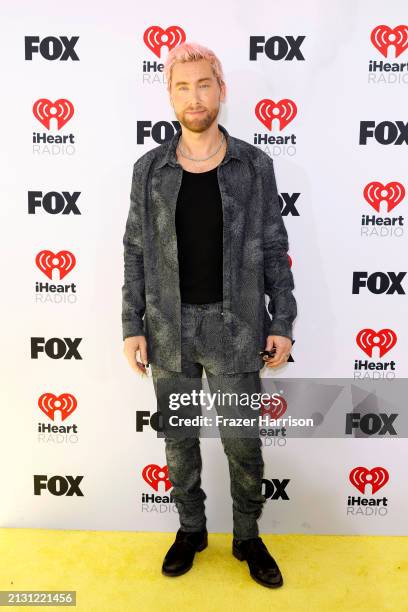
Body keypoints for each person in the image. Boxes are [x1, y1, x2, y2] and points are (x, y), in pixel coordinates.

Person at [122, 41, 297, 588]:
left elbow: (274, 247)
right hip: (168, 327)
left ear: (221, 90)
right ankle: (191, 528)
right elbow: (135, 250)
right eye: (182, 86)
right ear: (170, 95)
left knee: (243, 440)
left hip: (237, 325)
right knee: (178, 439)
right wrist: (132, 325)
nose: (194, 96)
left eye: (203, 84)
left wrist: (281, 321)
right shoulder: (149, 169)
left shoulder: (254, 165)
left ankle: (247, 534)